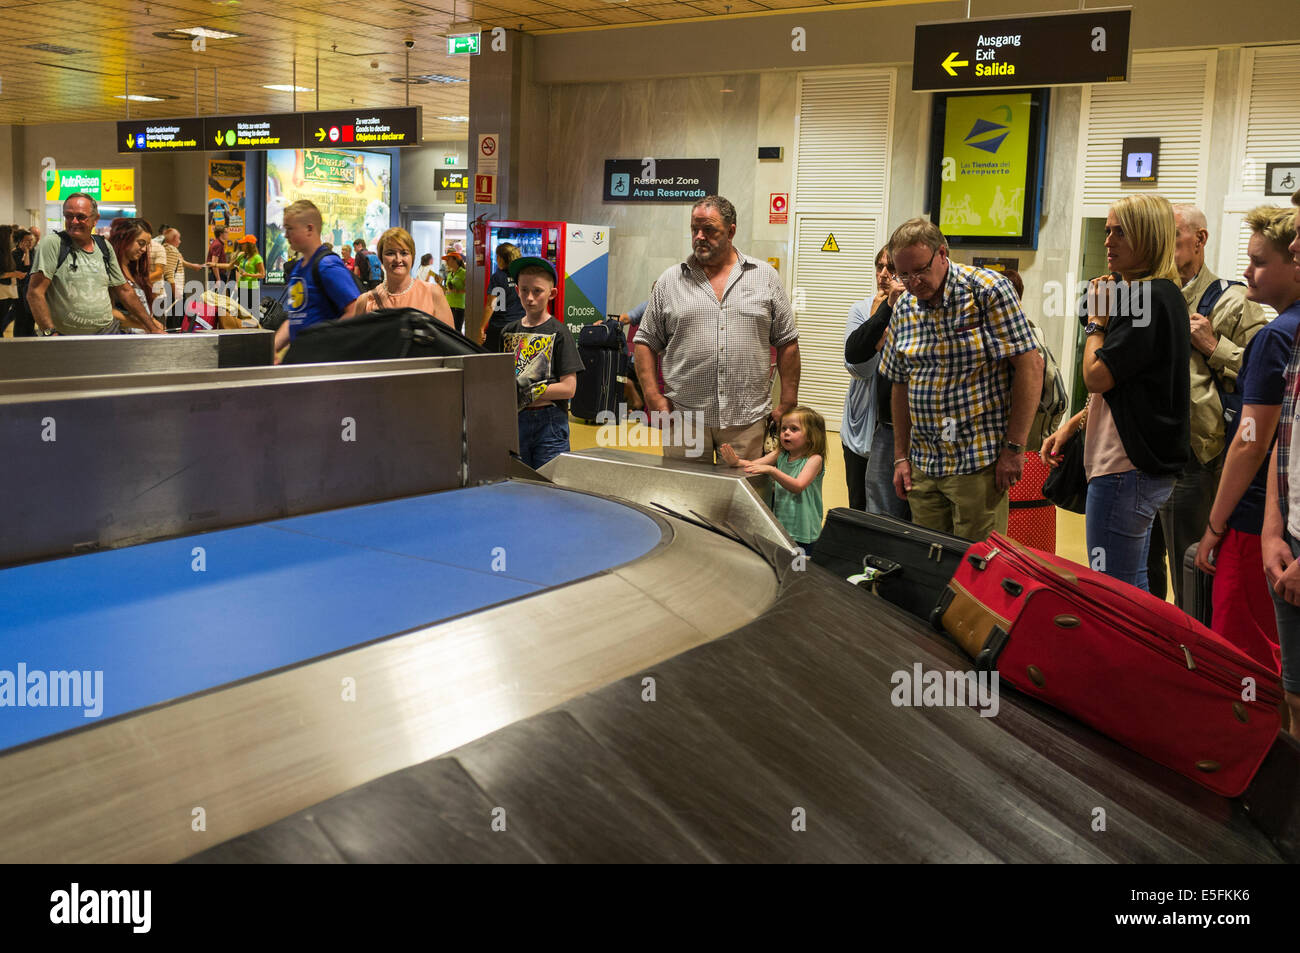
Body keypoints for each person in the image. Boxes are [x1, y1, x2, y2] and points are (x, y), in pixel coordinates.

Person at [1041, 193, 1190, 592]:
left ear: (1148, 237)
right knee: (1133, 584)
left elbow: (1096, 376)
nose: (1108, 241)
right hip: (1129, 467)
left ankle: (1128, 657)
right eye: (1107, 231)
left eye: (1120, 232)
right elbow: (1127, 385)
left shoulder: (1152, 297)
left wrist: (1096, 323)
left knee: (1114, 589)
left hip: (1124, 470)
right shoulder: (1155, 294)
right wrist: (1075, 422)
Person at [881, 218, 1043, 541]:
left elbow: (1031, 367)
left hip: (978, 463)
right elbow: (899, 383)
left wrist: (1014, 449)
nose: (912, 282)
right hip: (924, 464)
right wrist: (901, 456)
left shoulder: (988, 292)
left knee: (977, 568)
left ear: (943, 253)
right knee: (930, 565)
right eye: (904, 275)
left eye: (920, 270)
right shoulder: (904, 307)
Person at [1193, 206, 1300, 672]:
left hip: (1256, 516)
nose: (1246, 270)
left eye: (1258, 261)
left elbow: (1252, 441)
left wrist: (1214, 528)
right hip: (1277, 517)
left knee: (1243, 659)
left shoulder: (1276, 336)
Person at [1147, 205, 1269, 601]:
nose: (1165, 243)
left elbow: (1265, 376)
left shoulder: (1233, 302)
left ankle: (1192, 654)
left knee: (1191, 574)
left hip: (1195, 460)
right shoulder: (1146, 296)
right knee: (1141, 573)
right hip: (1141, 456)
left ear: (1199, 240)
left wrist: (1214, 347)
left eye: (1175, 233)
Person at [634, 195, 800, 462]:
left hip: (746, 419)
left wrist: (788, 402)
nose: (700, 236)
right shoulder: (669, 281)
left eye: (709, 230)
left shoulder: (764, 276)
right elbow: (645, 342)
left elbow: (787, 342)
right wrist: (652, 396)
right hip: (685, 418)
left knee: (741, 498)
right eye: (694, 229)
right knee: (682, 495)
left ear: (731, 230)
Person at [1261, 189, 1300, 739]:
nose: (1295, 244)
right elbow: (1282, 437)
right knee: (1295, 697)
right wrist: (1273, 527)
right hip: (1289, 542)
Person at [26, 194, 163, 336]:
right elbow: (35, 292)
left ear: (95, 220)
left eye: (80, 217)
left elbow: (124, 290)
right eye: (68, 216)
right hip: (66, 338)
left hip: (107, 334)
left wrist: (152, 327)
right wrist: (50, 332)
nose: (73, 221)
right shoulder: (53, 243)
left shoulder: (104, 246)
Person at [502, 256, 584, 470]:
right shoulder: (508, 332)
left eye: (537, 291)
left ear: (551, 293)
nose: (529, 297)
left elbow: (569, 388)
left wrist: (529, 391)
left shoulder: (559, 332)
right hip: (515, 421)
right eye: (523, 290)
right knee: (517, 483)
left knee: (549, 484)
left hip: (550, 423)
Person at [844, 246, 908, 515]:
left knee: (891, 507)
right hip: (861, 422)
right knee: (859, 503)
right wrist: (877, 321)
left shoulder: (913, 310)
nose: (883, 275)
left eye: (891, 269)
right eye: (879, 267)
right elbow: (859, 368)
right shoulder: (860, 309)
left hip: (896, 425)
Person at [720, 406, 827, 555]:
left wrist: (772, 470)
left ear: (811, 436)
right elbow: (756, 464)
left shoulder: (814, 460)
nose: (786, 433)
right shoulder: (781, 454)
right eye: (783, 429)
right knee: (781, 565)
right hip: (781, 527)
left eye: (794, 429)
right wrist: (736, 462)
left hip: (803, 531)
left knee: (799, 570)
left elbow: (798, 486)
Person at [273, 199, 360, 360]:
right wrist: (272, 348)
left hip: (323, 364)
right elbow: (295, 317)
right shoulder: (298, 268)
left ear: (309, 229)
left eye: (290, 229)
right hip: (303, 360)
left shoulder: (327, 265)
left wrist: (324, 345)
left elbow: (355, 310)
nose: (286, 235)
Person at [356, 227, 454, 326]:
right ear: (381, 258)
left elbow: (448, 340)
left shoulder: (433, 294)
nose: (398, 259)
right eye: (390, 253)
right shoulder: (365, 301)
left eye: (404, 253)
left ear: (412, 256)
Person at [107, 217, 159, 331]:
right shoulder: (110, 269)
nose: (144, 249)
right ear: (124, 239)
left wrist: (153, 324)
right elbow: (108, 311)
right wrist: (148, 325)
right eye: (141, 243)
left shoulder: (133, 270)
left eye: (147, 245)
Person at [482, 242, 525, 353]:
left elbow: (491, 305)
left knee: (492, 360)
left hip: (500, 327)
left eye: (497, 256)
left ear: (501, 258)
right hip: (520, 326)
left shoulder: (498, 277)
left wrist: (481, 328)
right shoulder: (522, 275)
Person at [160, 227, 206, 329]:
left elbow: (179, 262)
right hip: (174, 289)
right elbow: (169, 273)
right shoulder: (172, 251)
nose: (180, 241)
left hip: (173, 288)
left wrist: (193, 266)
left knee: (176, 316)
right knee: (175, 319)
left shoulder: (166, 248)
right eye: (178, 239)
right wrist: (176, 292)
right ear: (173, 239)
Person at [4, 229, 35, 337]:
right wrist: (26, 252)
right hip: (18, 290)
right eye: (27, 241)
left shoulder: (33, 252)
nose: (30, 243)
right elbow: (24, 268)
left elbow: (31, 269)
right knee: (20, 317)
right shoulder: (14, 253)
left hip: (30, 288)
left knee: (30, 317)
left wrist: (28, 252)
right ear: (20, 241)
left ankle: (31, 337)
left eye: (31, 240)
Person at [0, 225, 22, 335]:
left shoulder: (7, 252)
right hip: (2, 291)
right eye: (11, 236)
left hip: (7, 291)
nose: (12, 239)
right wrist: (14, 274)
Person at [443, 251, 467, 334]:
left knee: (457, 331)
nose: (446, 262)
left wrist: (457, 291)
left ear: (455, 260)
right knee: (450, 330)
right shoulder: (450, 274)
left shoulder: (463, 273)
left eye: (448, 259)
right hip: (449, 305)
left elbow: (469, 290)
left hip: (459, 306)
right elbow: (447, 290)